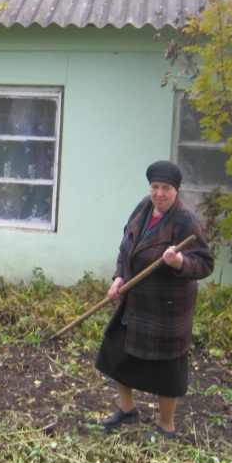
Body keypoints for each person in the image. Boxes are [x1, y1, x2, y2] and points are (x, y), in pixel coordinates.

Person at [95, 160, 214, 439]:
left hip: (166, 308)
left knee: (166, 370)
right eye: (155, 187)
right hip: (135, 301)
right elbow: (127, 245)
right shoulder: (143, 208)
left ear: (176, 191)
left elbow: (205, 264)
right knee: (116, 350)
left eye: (166, 188)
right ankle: (127, 410)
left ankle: (166, 426)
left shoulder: (185, 220)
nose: (159, 194)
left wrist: (179, 261)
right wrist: (119, 277)